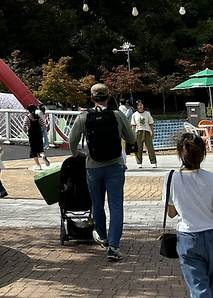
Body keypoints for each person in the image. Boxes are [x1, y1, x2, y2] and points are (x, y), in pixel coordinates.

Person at [67, 83, 136, 262]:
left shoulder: (84, 117)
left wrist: (76, 154)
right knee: (116, 206)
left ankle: (103, 237)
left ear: (92, 98)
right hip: (115, 166)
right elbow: (131, 138)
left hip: (93, 166)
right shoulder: (117, 115)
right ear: (109, 97)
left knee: (97, 204)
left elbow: (72, 140)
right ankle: (113, 247)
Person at [166, 132, 213, 298]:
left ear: (180, 154)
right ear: (203, 154)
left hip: (188, 237)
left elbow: (171, 213)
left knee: (199, 289)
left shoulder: (171, 179)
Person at [132, 100, 158, 168]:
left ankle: (153, 162)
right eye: (138, 105)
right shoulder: (134, 115)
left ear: (143, 105)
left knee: (150, 147)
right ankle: (139, 162)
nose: (140, 106)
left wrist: (152, 132)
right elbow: (133, 125)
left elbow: (151, 124)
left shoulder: (147, 114)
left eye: (141, 105)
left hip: (147, 131)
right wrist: (132, 134)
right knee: (138, 148)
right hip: (138, 131)